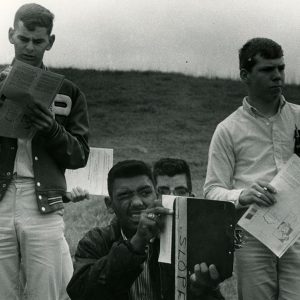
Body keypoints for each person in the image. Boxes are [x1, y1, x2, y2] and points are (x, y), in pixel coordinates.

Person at [0, 3, 89, 300]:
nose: (29, 47)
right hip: (0, 199)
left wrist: (52, 130)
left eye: (38, 41)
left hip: (43, 202)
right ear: (11, 34)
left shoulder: (68, 91)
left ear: (50, 42)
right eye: (23, 38)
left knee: (48, 291)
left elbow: (79, 155)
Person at [204, 37, 300, 300]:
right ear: (245, 75)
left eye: (280, 68)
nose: (278, 76)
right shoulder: (227, 129)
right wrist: (242, 195)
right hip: (251, 236)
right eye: (267, 70)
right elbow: (211, 191)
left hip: (298, 232)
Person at [67, 160, 224, 300]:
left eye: (145, 193)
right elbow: (80, 293)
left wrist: (203, 289)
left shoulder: (181, 239)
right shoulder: (96, 241)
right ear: (109, 204)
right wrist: (137, 242)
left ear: (156, 195)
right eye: (124, 196)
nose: (137, 202)